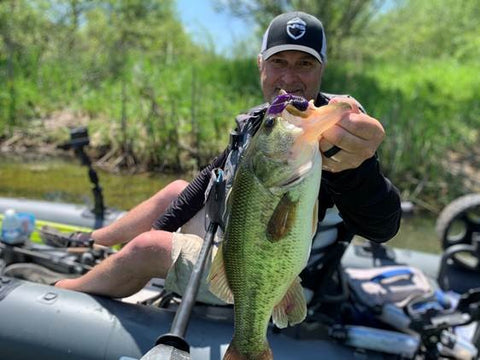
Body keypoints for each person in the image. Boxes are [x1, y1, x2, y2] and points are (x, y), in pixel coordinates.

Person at [55, 11, 401, 304]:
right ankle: (93, 243)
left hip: (277, 275)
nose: (289, 78)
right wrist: (159, 229)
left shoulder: (335, 129)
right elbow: (208, 178)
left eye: (304, 64)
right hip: (241, 243)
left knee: (148, 247)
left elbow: (382, 226)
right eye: (278, 61)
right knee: (177, 190)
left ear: (321, 69)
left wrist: (357, 171)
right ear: (261, 65)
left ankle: (61, 293)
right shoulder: (262, 121)